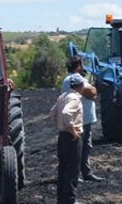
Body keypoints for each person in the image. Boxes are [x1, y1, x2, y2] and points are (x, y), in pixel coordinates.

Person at [63, 56, 104, 182]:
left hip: (84, 120)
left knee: (86, 147)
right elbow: (91, 92)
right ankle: (75, 174)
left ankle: (86, 172)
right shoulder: (75, 79)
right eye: (81, 64)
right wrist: (94, 88)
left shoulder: (71, 79)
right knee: (78, 148)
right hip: (80, 120)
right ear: (78, 66)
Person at [48, 75, 83, 204]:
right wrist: (72, 130)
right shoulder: (75, 99)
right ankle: (70, 200)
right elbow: (66, 113)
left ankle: (61, 199)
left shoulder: (62, 97)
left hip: (62, 136)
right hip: (71, 138)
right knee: (72, 170)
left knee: (62, 168)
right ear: (80, 86)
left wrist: (59, 126)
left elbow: (53, 112)